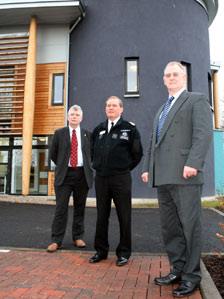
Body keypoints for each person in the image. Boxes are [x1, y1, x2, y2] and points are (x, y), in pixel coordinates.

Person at [141, 61, 213, 297]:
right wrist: (147, 168)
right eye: (167, 75)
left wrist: (193, 162)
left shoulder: (196, 99)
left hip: (185, 175)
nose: (171, 78)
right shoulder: (162, 108)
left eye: (175, 74)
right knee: (170, 228)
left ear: (184, 77)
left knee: (190, 228)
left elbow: (202, 134)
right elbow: (154, 142)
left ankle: (192, 276)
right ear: (163, 79)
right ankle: (178, 269)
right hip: (163, 177)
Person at [89, 96, 143, 266]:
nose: (110, 108)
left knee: (124, 216)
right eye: (108, 106)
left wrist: (123, 168)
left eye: (114, 105)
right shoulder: (98, 130)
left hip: (121, 179)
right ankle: (101, 251)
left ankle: (124, 253)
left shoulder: (129, 129)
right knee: (101, 216)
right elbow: (92, 152)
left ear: (121, 109)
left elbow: (137, 154)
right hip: (102, 179)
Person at [47, 105, 93, 252]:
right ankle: (56, 240)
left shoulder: (88, 135)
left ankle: (78, 237)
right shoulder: (59, 133)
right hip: (64, 175)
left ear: (81, 117)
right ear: (68, 117)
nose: (74, 116)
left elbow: (90, 155)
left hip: (82, 175)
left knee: (80, 208)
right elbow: (53, 155)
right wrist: (63, 165)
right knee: (61, 209)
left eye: (77, 115)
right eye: (72, 114)